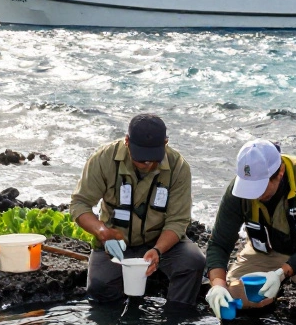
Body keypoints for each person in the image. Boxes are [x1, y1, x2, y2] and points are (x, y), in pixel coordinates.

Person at [69, 114, 206, 309]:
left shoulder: (178, 167)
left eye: (154, 158)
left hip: (162, 242)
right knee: (100, 286)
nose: (148, 164)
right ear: (127, 142)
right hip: (116, 243)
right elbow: (79, 204)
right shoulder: (103, 159)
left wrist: (158, 250)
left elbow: (178, 221)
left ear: (166, 143)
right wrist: (102, 232)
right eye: (141, 159)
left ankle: (176, 319)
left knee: (193, 261)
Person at [204, 141, 296, 325]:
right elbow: (219, 244)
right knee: (233, 295)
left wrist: (280, 274)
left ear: (280, 173)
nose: (253, 195)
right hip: (266, 249)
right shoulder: (238, 190)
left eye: (259, 188)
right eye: (248, 188)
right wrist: (218, 285)